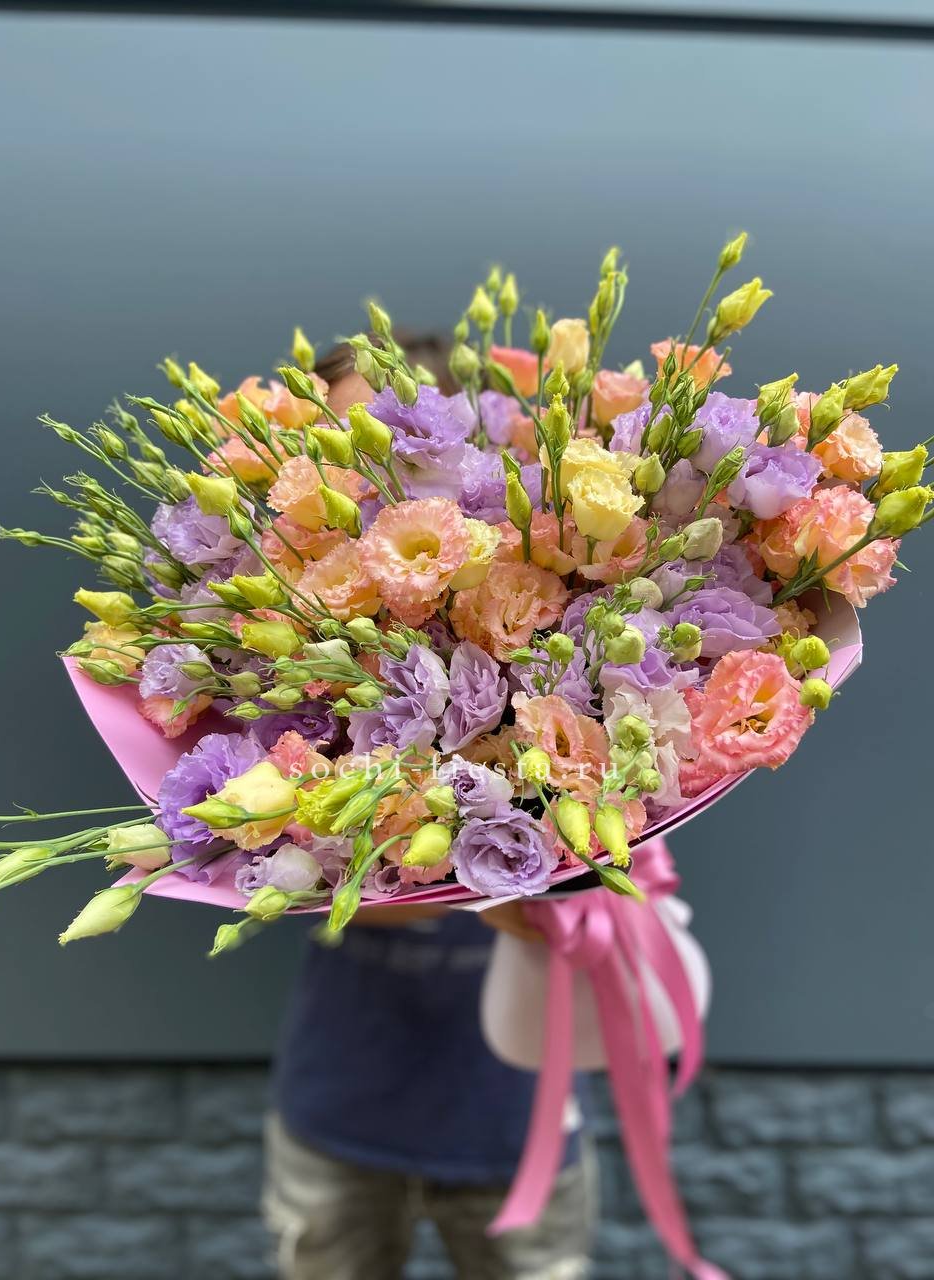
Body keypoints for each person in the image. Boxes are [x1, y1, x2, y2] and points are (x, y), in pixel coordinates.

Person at [261, 338, 598, 1280]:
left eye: (399, 438)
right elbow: (272, 862)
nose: (367, 466)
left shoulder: (565, 618)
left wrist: (556, 884)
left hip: (516, 1113)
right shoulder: (282, 640)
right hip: (342, 1101)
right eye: (340, 442)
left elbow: (631, 875)